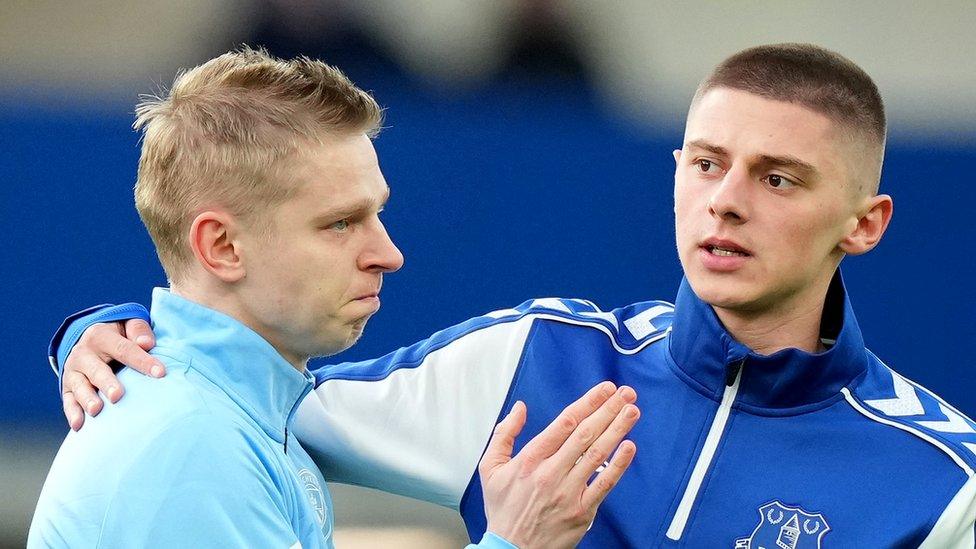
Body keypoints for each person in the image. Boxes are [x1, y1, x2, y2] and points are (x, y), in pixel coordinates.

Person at [50, 43, 976, 546]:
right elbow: (253, 388)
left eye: (778, 178)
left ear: (866, 222)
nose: (725, 200)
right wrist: (110, 339)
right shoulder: (533, 361)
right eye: (705, 162)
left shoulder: (944, 484)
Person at [28, 48, 641, 549]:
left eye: (376, 213)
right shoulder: (186, 444)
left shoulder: (230, 415)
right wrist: (514, 543)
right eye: (340, 223)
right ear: (222, 247)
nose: (389, 254)